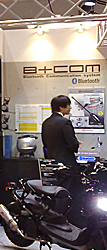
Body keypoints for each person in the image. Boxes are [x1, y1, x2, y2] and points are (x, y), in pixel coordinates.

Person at [42, 95, 82, 223]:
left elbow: (46, 144)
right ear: (61, 107)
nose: (70, 108)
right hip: (67, 165)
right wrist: (76, 144)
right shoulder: (65, 122)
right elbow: (72, 144)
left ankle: (53, 218)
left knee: (55, 193)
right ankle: (66, 220)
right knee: (68, 193)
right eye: (68, 105)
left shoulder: (46, 123)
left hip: (52, 164)